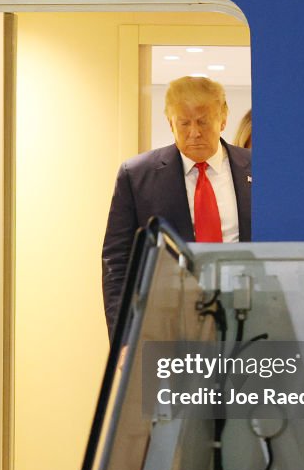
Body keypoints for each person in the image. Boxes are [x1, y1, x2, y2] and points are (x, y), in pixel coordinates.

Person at [101, 76, 252, 336]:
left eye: (203, 121)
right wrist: (123, 340)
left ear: (223, 119)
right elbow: (118, 261)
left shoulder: (258, 168)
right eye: (184, 123)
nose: (194, 132)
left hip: (247, 320)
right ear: (170, 122)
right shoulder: (137, 176)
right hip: (169, 328)